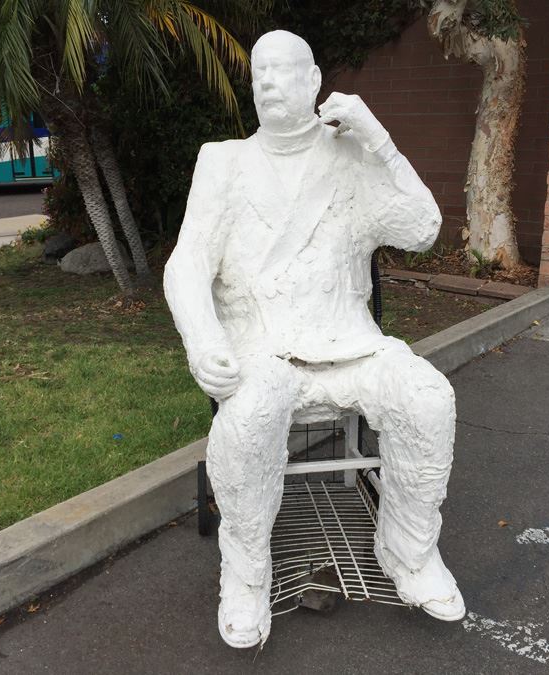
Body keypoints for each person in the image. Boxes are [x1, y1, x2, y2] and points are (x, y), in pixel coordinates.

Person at [164, 29, 465, 649]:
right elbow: (187, 263)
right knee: (248, 419)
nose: (268, 83)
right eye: (259, 74)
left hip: (351, 344)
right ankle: (246, 571)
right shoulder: (222, 162)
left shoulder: (352, 155)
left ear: (315, 79)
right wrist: (202, 341)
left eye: (283, 70)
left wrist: (377, 138)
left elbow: (422, 228)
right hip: (264, 349)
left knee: (428, 399)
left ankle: (409, 550)